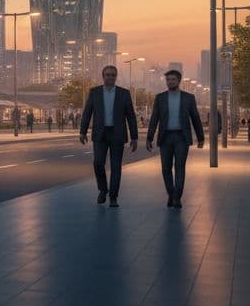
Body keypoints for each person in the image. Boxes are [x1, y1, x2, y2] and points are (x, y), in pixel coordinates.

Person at [79, 65, 139, 207]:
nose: (110, 77)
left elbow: (131, 116)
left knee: (116, 167)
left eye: (113, 75)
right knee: (98, 162)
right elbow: (87, 112)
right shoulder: (95, 92)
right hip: (100, 134)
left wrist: (134, 137)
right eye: (107, 74)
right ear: (103, 76)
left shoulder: (124, 94)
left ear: (116, 77)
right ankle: (103, 189)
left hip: (117, 134)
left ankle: (113, 196)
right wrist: (83, 131)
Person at [145, 68, 203, 209]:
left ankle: (177, 198)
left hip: (181, 138)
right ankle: (171, 193)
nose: (170, 82)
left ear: (179, 81)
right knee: (165, 168)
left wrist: (200, 137)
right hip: (165, 137)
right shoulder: (160, 98)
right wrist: (149, 137)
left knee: (179, 168)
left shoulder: (188, 98)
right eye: (168, 79)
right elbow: (154, 119)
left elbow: (195, 118)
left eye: (173, 79)